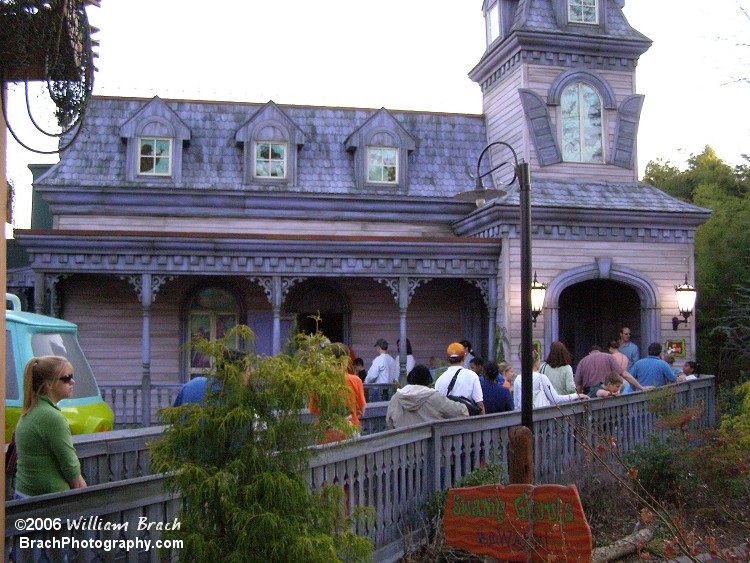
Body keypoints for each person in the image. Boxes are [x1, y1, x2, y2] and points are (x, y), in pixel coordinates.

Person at [14, 356, 87, 497]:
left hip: (25, 496)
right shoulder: (51, 417)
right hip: (48, 503)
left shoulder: (32, 410)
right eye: (66, 378)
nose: (72, 381)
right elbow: (72, 470)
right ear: (49, 383)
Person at [309, 343, 366, 442]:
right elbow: (361, 409)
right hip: (349, 429)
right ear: (346, 360)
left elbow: (313, 410)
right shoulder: (356, 381)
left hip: (325, 431)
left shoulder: (318, 382)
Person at [386, 365, 468, 429]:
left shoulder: (396, 398)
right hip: (431, 447)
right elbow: (458, 411)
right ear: (427, 380)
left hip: (402, 447)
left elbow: (389, 422)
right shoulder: (435, 397)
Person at [513, 351, 588, 410]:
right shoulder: (541, 378)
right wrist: (576, 396)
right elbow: (555, 399)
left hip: (523, 416)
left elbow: (516, 404)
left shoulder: (518, 379)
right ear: (536, 362)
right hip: (539, 415)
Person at [434, 342, 485, 415]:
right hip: (465, 419)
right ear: (464, 357)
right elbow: (479, 404)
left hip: (446, 421)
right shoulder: (472, 375)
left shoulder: (440, 379)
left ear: (448, 359)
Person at [574, 345, 648, 395]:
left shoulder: (582, 361)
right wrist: (641, 387)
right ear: (601, 351)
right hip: (607, 392)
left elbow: (578, 386)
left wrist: (580, 399)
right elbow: (625, 374)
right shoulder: (608, 357)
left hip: (589, 393)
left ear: (589, 353)